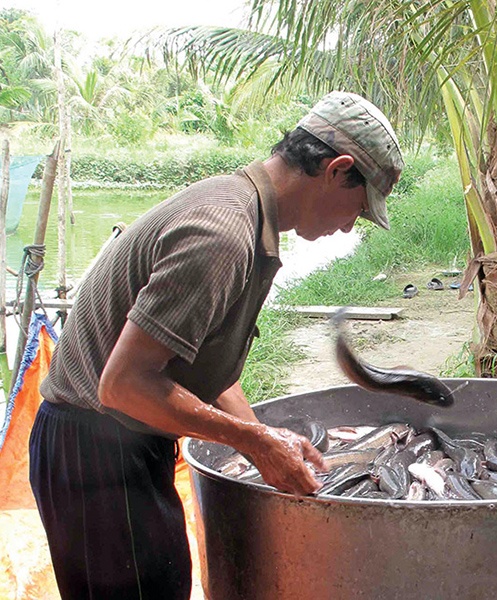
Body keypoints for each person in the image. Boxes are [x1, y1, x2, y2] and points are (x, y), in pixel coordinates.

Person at [29, 91, 404, 599]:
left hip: (122, 443)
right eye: (357, 209)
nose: (347, 225)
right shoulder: (223, 232)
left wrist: (264, 440)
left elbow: (210, 365)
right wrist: (252, 443)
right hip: (95, 448)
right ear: (337, 170)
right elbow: (123, 384)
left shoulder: (249, 213)